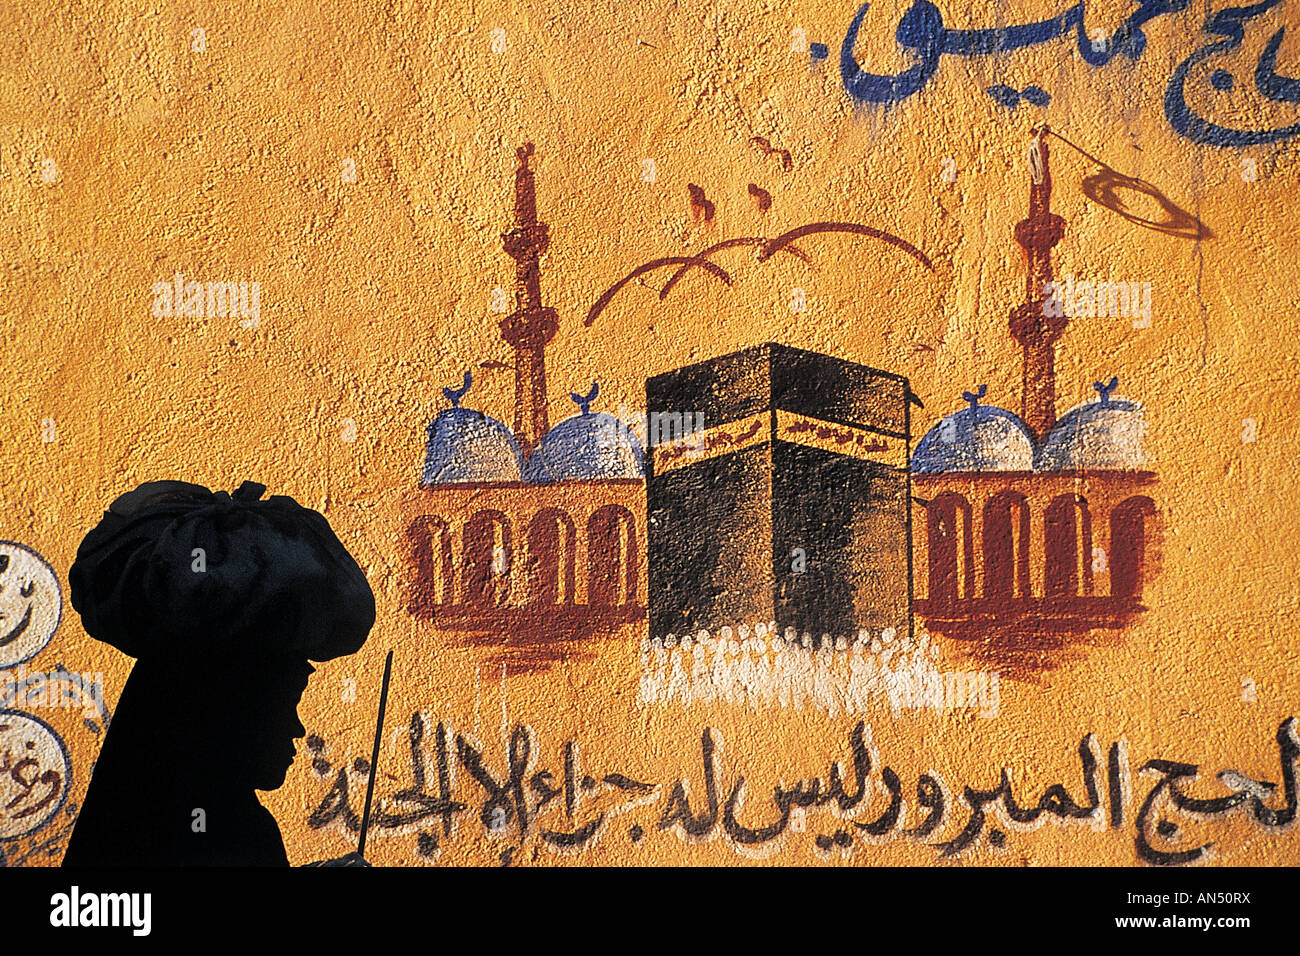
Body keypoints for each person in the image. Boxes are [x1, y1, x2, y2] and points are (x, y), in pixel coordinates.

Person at [61, 480, 376, 866]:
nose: (297, 729)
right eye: (281, 705)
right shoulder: (208, 828)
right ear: (223, 712)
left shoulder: (156, 807)